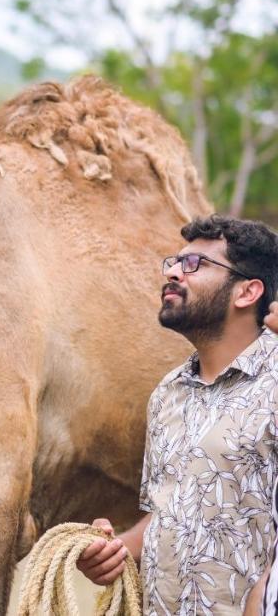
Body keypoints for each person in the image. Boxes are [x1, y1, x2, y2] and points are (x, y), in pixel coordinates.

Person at [76, 215, 278, 614]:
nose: (172, 272)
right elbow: (168, 512)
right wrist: (114, 550)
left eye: (195, 265)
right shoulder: (168, 393)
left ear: (247, 292)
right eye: (173, 261)